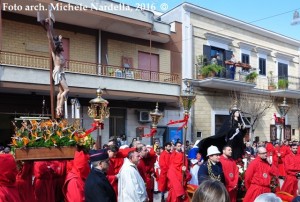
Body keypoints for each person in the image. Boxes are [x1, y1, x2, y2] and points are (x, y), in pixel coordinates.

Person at [41, 17, 69, 117]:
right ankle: (60, 107)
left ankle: (58, 108)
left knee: (61, 91)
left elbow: (56, 40)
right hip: (58, 72)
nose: (62, 46)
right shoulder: (55, 52)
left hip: (62, 72)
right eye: (60, 44)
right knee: (66, 90)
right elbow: (50, 40)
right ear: (57, 46)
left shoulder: (60, 53)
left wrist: (59, 39)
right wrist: (48, 29)